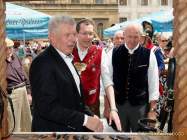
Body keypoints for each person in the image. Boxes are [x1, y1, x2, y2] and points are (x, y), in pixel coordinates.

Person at [29, 15, 103, 132]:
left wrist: (90, 115)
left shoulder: (66, 57)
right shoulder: (42, 63)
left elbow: (76, 98)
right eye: (67, 35)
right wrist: (85, 120)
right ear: (52, 37)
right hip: (53, 133)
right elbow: (47, 108)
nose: (73, 39)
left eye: (74, 34)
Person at [107, 24, 159, 132]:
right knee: (120, 135)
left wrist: (152, 110)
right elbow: (107, 81)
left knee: (140, 135)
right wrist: (108, 106)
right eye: (129, 36)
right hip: (118, 105)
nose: (132, 40)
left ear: (141, 37)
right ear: (124, 35)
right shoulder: (113, 53)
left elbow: (153, 83)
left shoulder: (149, 55)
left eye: (135, 37)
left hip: (140, 106)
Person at [73, 18, 121, 131]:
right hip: (71, 106)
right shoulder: (68, 50)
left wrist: (113, 108)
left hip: (92, 106)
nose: (88, 37)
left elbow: (107, 81)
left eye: (90, 33)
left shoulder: (100, 52)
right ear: (77, 34)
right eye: (84, 33)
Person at [6, 38, 32, 132]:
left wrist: (29, 92)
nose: (9, 50)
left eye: (10, 48)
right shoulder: (1, 62)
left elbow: (24, 74)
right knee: (14, 124)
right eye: (6, 48)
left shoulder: (15, 57)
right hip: (11, 94)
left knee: (27, 120)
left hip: (23, 90)